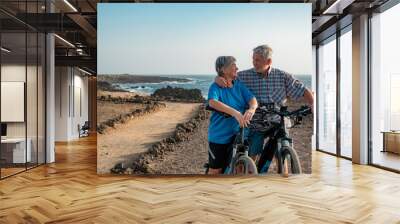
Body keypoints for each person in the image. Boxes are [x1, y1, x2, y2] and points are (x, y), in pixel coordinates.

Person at [215, 45, 314, 172]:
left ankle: (282, 166)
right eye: (253, 59)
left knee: (283, 144)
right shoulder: (244, 76)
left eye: (258, 60)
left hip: (278, 120)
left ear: (268, 62)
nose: (254, 63)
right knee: (253, 153)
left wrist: (312, 104)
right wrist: (218, 78)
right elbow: (227, 77)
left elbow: (303, 90)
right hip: (256, 122)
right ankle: (251, 171)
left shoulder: (283, 76)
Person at [207, 56, 258, 175]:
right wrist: (235, 113)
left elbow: (252, 99)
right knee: (216, 171)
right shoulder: (215, 87)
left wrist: (252, 109)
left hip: (239, 134)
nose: (237, 68)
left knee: (239, 168)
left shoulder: (239, 85)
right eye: (233, 65)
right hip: (219, 137)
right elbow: (212, 102)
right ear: (223, 70)